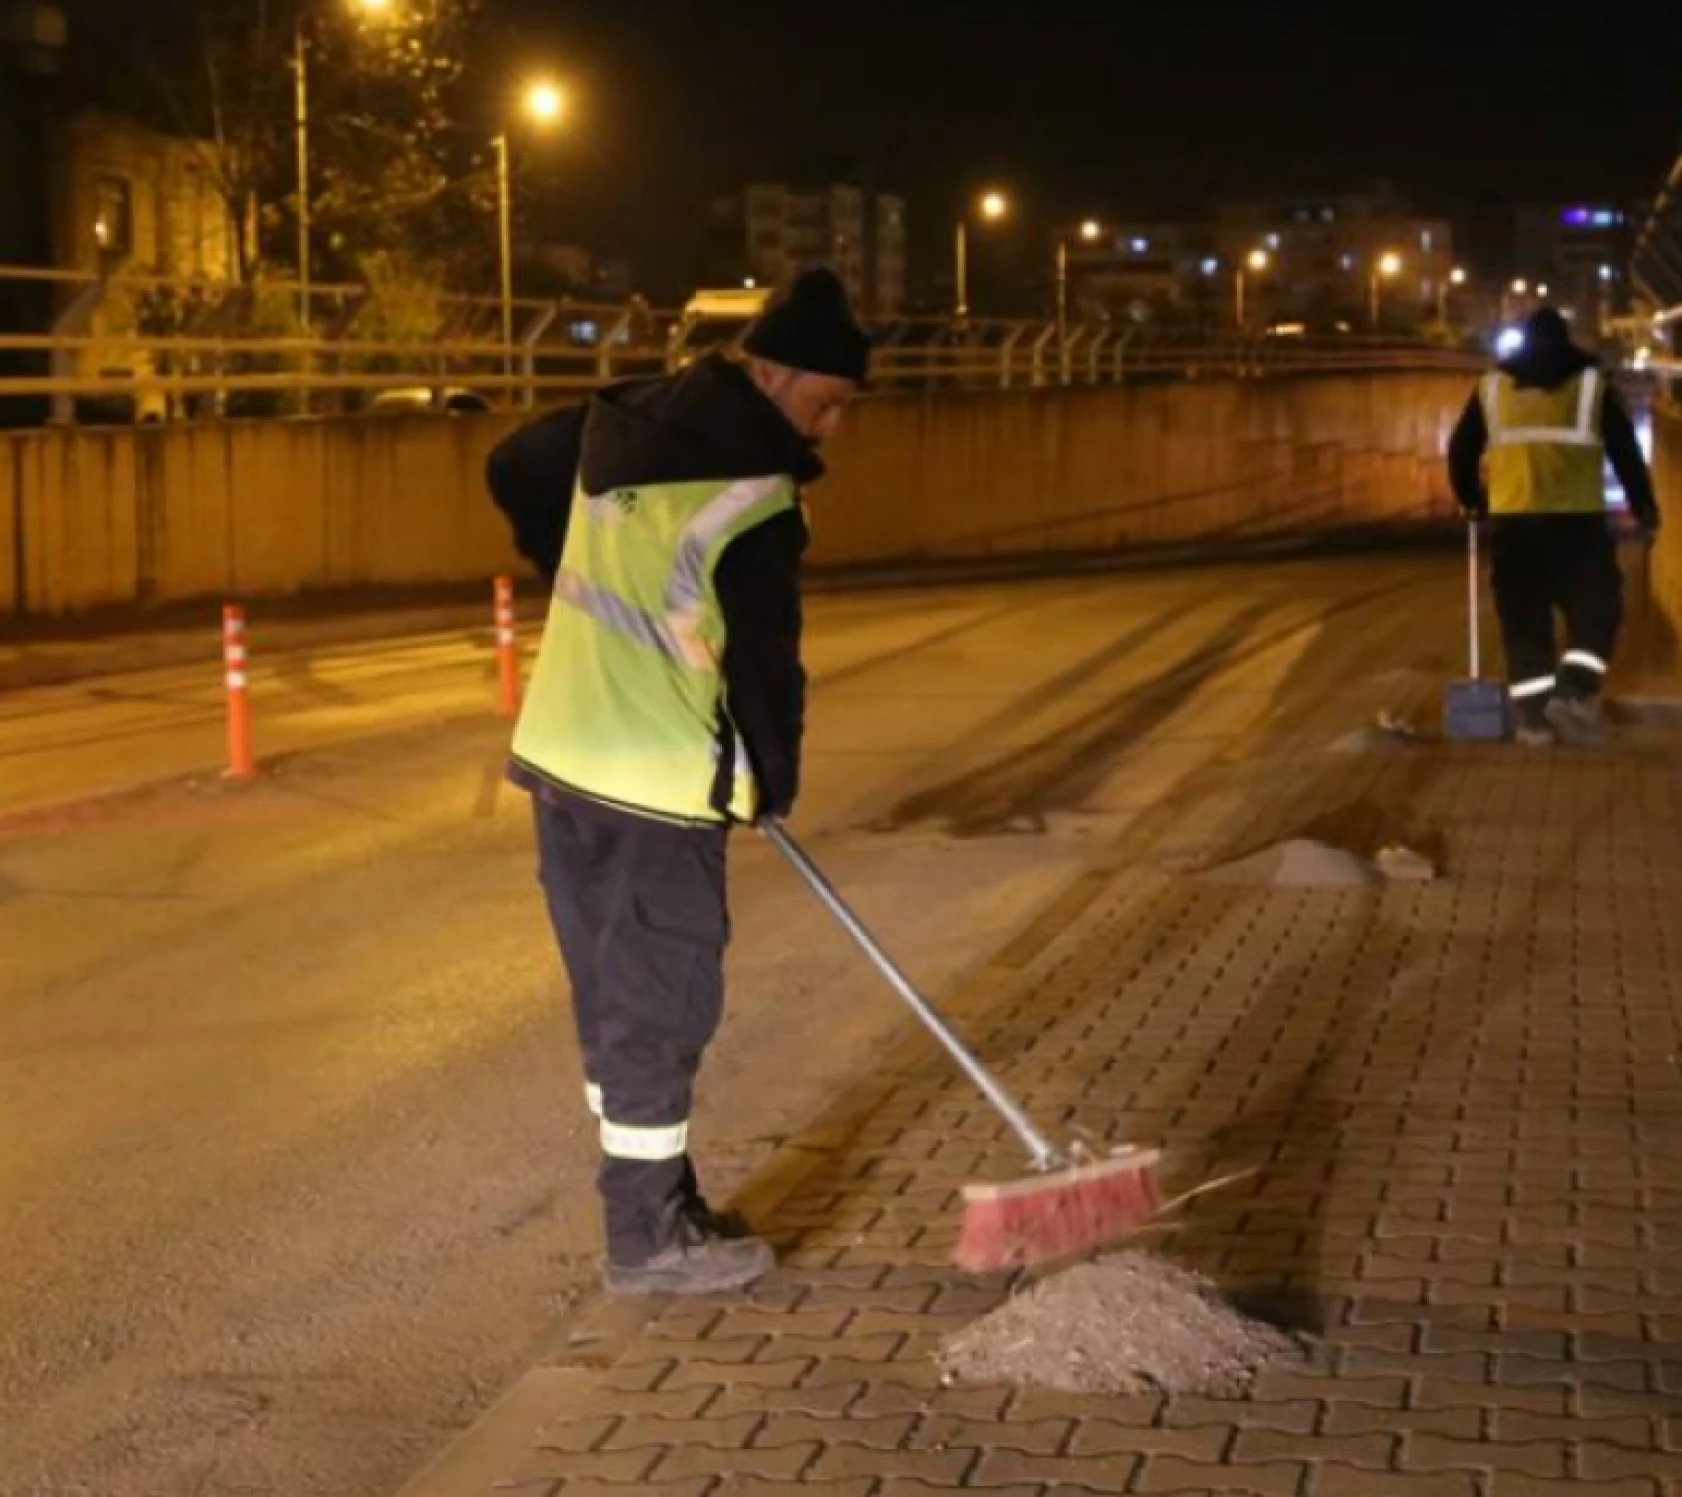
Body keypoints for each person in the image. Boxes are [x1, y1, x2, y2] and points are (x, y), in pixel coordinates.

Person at [485, 268, 869, 1295]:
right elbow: (761, 668)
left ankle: (662, 1202)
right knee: (661, 1001)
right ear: (770, 372)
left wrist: (565, 561)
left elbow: (514, 457)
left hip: (562, 757)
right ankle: (647, 1244)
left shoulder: (631, 419)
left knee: (617, 998)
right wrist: (767, 783)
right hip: (654, 780)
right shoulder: (753, 495)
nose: (830, 429)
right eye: (824, 402)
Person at [1447, 306, 1659, 747]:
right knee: (1598, 610)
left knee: (1524, 622)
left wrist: (1471, 500)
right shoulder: (1590, 386)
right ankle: (1573, 690)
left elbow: (1461, 448)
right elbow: (1625, 454)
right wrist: (1643, 507)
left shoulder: (1491, 387)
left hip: (1513, 524)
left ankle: (1533, 723)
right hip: (1576, 523)